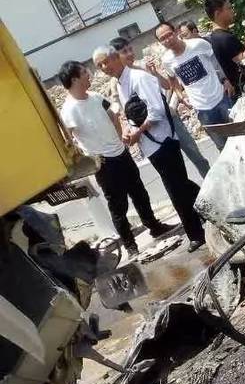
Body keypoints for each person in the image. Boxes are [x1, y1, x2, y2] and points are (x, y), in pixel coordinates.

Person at [93, 45, 205, 252]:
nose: (103, 67)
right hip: (150, 145)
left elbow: (157, 111)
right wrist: (128, 129)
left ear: (116, 57)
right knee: (181, 184)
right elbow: (128, 114)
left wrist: (139, 131)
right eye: (99, 65)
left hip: (163, 141)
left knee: (176, 191)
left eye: (105, 61)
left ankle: (196, 235)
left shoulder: (139, 78)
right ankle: (209, 204)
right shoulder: (119, 85)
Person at [58, 59, 174, 257]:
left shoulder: (94, 96)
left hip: (121, 153)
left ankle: (154, 226)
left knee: (139, 192)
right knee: (118, 205)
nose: (89, 74)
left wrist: (121, 132)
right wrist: (82, 159)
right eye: (85, 72)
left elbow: (112, 114)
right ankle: (130, 246)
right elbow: (66, 140)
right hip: (103, 163)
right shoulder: (69, 110)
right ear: (75, 78)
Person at [111, 37, 210, 181]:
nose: (130, 53)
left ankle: (210, 183)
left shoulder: (144, 67)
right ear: (116, 57)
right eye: (124, 51)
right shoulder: (117, 81)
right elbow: (122, 110)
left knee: (195, 154)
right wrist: (127, 129)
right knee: (174, 171)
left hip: (170, 119)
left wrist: (155, 73)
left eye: (130, 49)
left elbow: (167, 86)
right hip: (151, 130)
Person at [154, 22, 232, 150]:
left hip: (221, 98)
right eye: (163, 38)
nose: (168, 40)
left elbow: (216, 61)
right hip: (202, 109)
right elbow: (172, 80)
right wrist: (181, 96)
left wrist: (225, 80)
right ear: (160, 43)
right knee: (222, 147)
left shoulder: (198, 44)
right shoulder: (167, 60)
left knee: (240, 138)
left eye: (169, 34)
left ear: (176, 32)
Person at [203, 0, 245, 97]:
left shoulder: (215, 36)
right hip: (244, 87)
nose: (232, 11)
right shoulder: (224, 38)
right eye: (229, 8)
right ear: (218, 13)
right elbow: (244, 60)